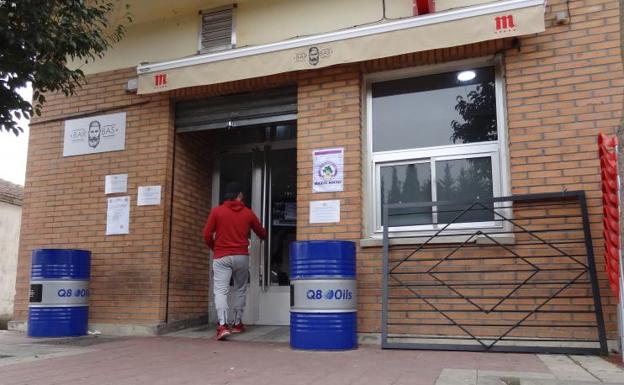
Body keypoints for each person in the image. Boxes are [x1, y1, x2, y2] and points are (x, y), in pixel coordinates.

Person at [203, 182, 266, 340]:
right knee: (240, 289)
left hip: (222, 256)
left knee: (221, 291)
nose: (242, 196)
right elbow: (261, 232)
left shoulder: (217, 212)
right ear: (238, 195)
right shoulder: (248, 213)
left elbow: (206, 234)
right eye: (241, 194)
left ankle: (223, 326)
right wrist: (263, 236)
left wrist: (215, 248)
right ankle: (237, 324)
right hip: (241, 256)